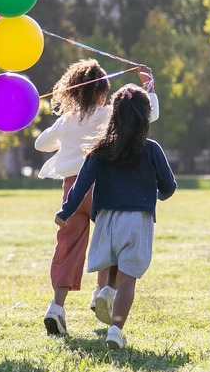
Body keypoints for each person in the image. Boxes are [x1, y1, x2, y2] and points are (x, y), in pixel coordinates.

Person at [35, 58, 159, 336]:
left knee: (67, 248)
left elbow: (40, 144)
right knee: (111, 242)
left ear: (72, 92)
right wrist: (149, 87)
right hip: (103, 188)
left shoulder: (66, 120)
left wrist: (64, 132)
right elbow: (149, 115)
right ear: (103, 91)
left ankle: (56, 306)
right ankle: (103, 292)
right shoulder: (108, 114)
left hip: (72, 191)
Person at [55, 84, 177, 349]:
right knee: (128, 279)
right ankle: (115, 330)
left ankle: (106, 291)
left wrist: (65, 211)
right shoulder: (151, 148)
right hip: (137, 221)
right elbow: (169, 185)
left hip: (106, 220)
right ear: (145, 117)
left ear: (114, 115)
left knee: (112, 263)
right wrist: (158, 195)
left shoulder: (100, 149)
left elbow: (81, 185)